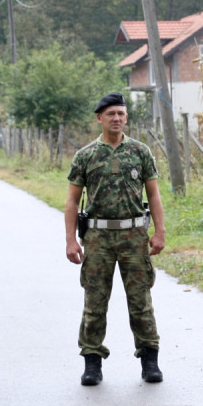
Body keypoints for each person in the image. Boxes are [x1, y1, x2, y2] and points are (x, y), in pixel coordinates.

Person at [65, 92, 166, 386]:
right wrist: (71, 240)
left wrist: (159, 232)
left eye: (121, 114)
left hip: (134, 236)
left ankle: (150, 359)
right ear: (100, 118)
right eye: (111, 114)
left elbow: (154, 194)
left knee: (141, 300)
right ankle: (92, 362)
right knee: (95, 301)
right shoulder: (85, 156)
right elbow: (72, 201)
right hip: (97, 237)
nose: (117, 119)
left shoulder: (140, 152)